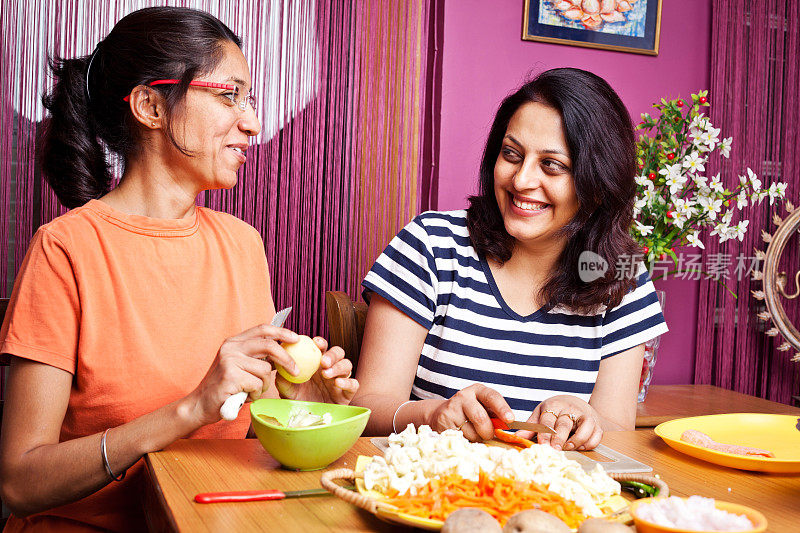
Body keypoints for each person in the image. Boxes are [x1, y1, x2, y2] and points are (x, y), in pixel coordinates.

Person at [0, 7, 357, 532]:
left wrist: (306, 409)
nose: (254, 123)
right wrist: (190, 410)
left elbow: (243, 443)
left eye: (250, 98)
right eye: (228, 95)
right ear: (150, 105)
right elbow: (20, 483)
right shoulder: (65, 249)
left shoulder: (242, 245)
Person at [352, 68, 666, 453]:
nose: (520, 181)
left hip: (553, 503)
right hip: (430, 492)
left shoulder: (623, 276)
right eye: (512, 155)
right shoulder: (432, 244)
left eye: (551, 165)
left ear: (597, 185)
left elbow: (618, 431)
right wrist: (432, 416)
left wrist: (586, 419)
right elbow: (365, 407)